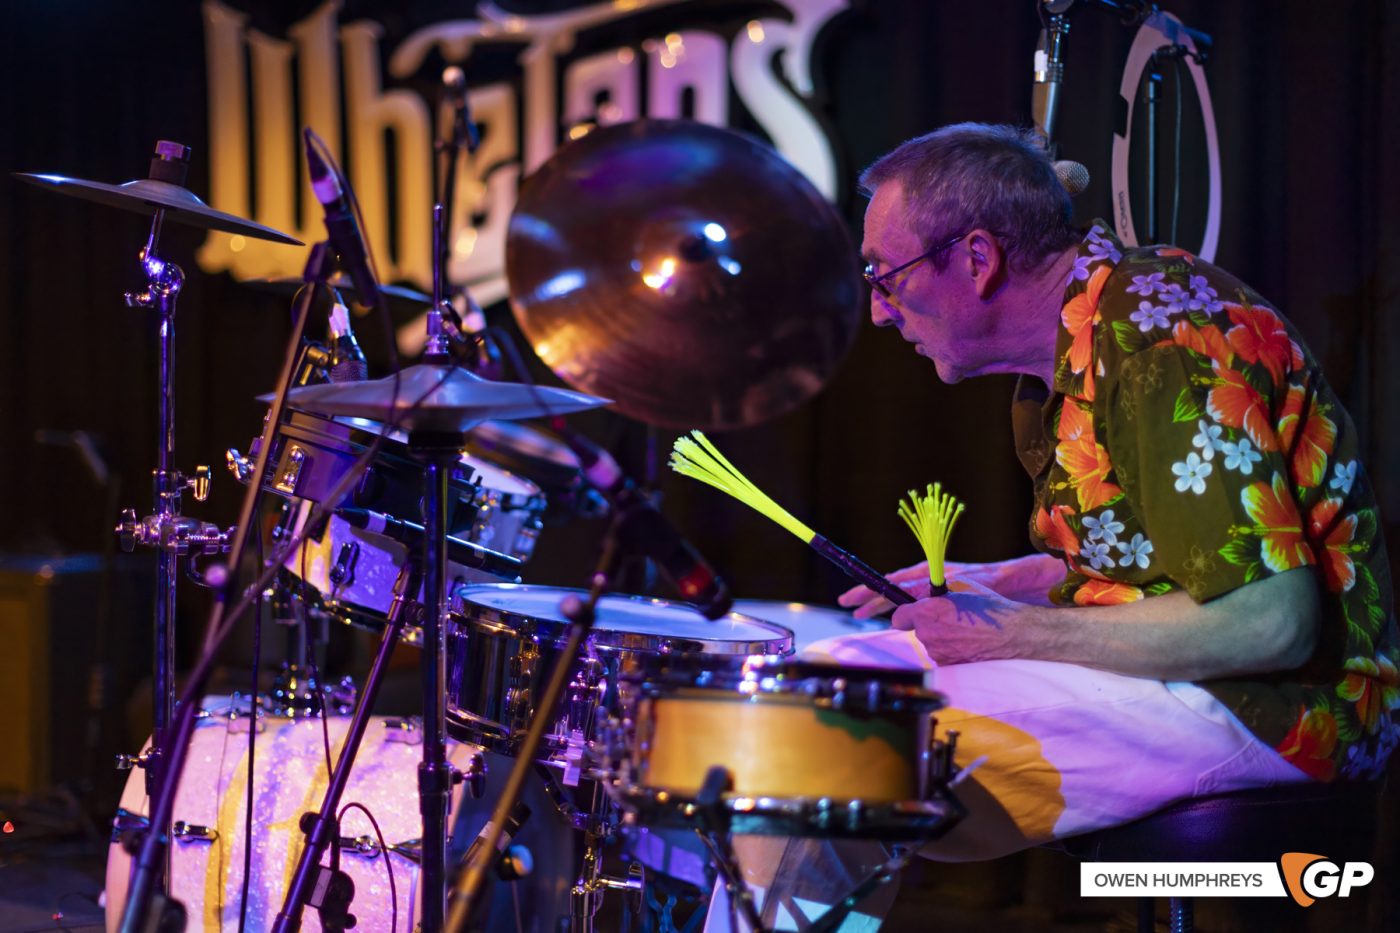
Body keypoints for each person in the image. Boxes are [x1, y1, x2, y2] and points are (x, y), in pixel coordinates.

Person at [705, 123, 1397, 930]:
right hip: (1200, 682)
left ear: (976, 258)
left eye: (884, 276)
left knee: (822, 738)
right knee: (806, 687)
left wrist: (1010, 632)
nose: (881, 313)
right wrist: (998, 580)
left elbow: (1270, 620)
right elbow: (1154, 558)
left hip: (1283, 703)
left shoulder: (1157, 338)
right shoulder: (1071, 356)